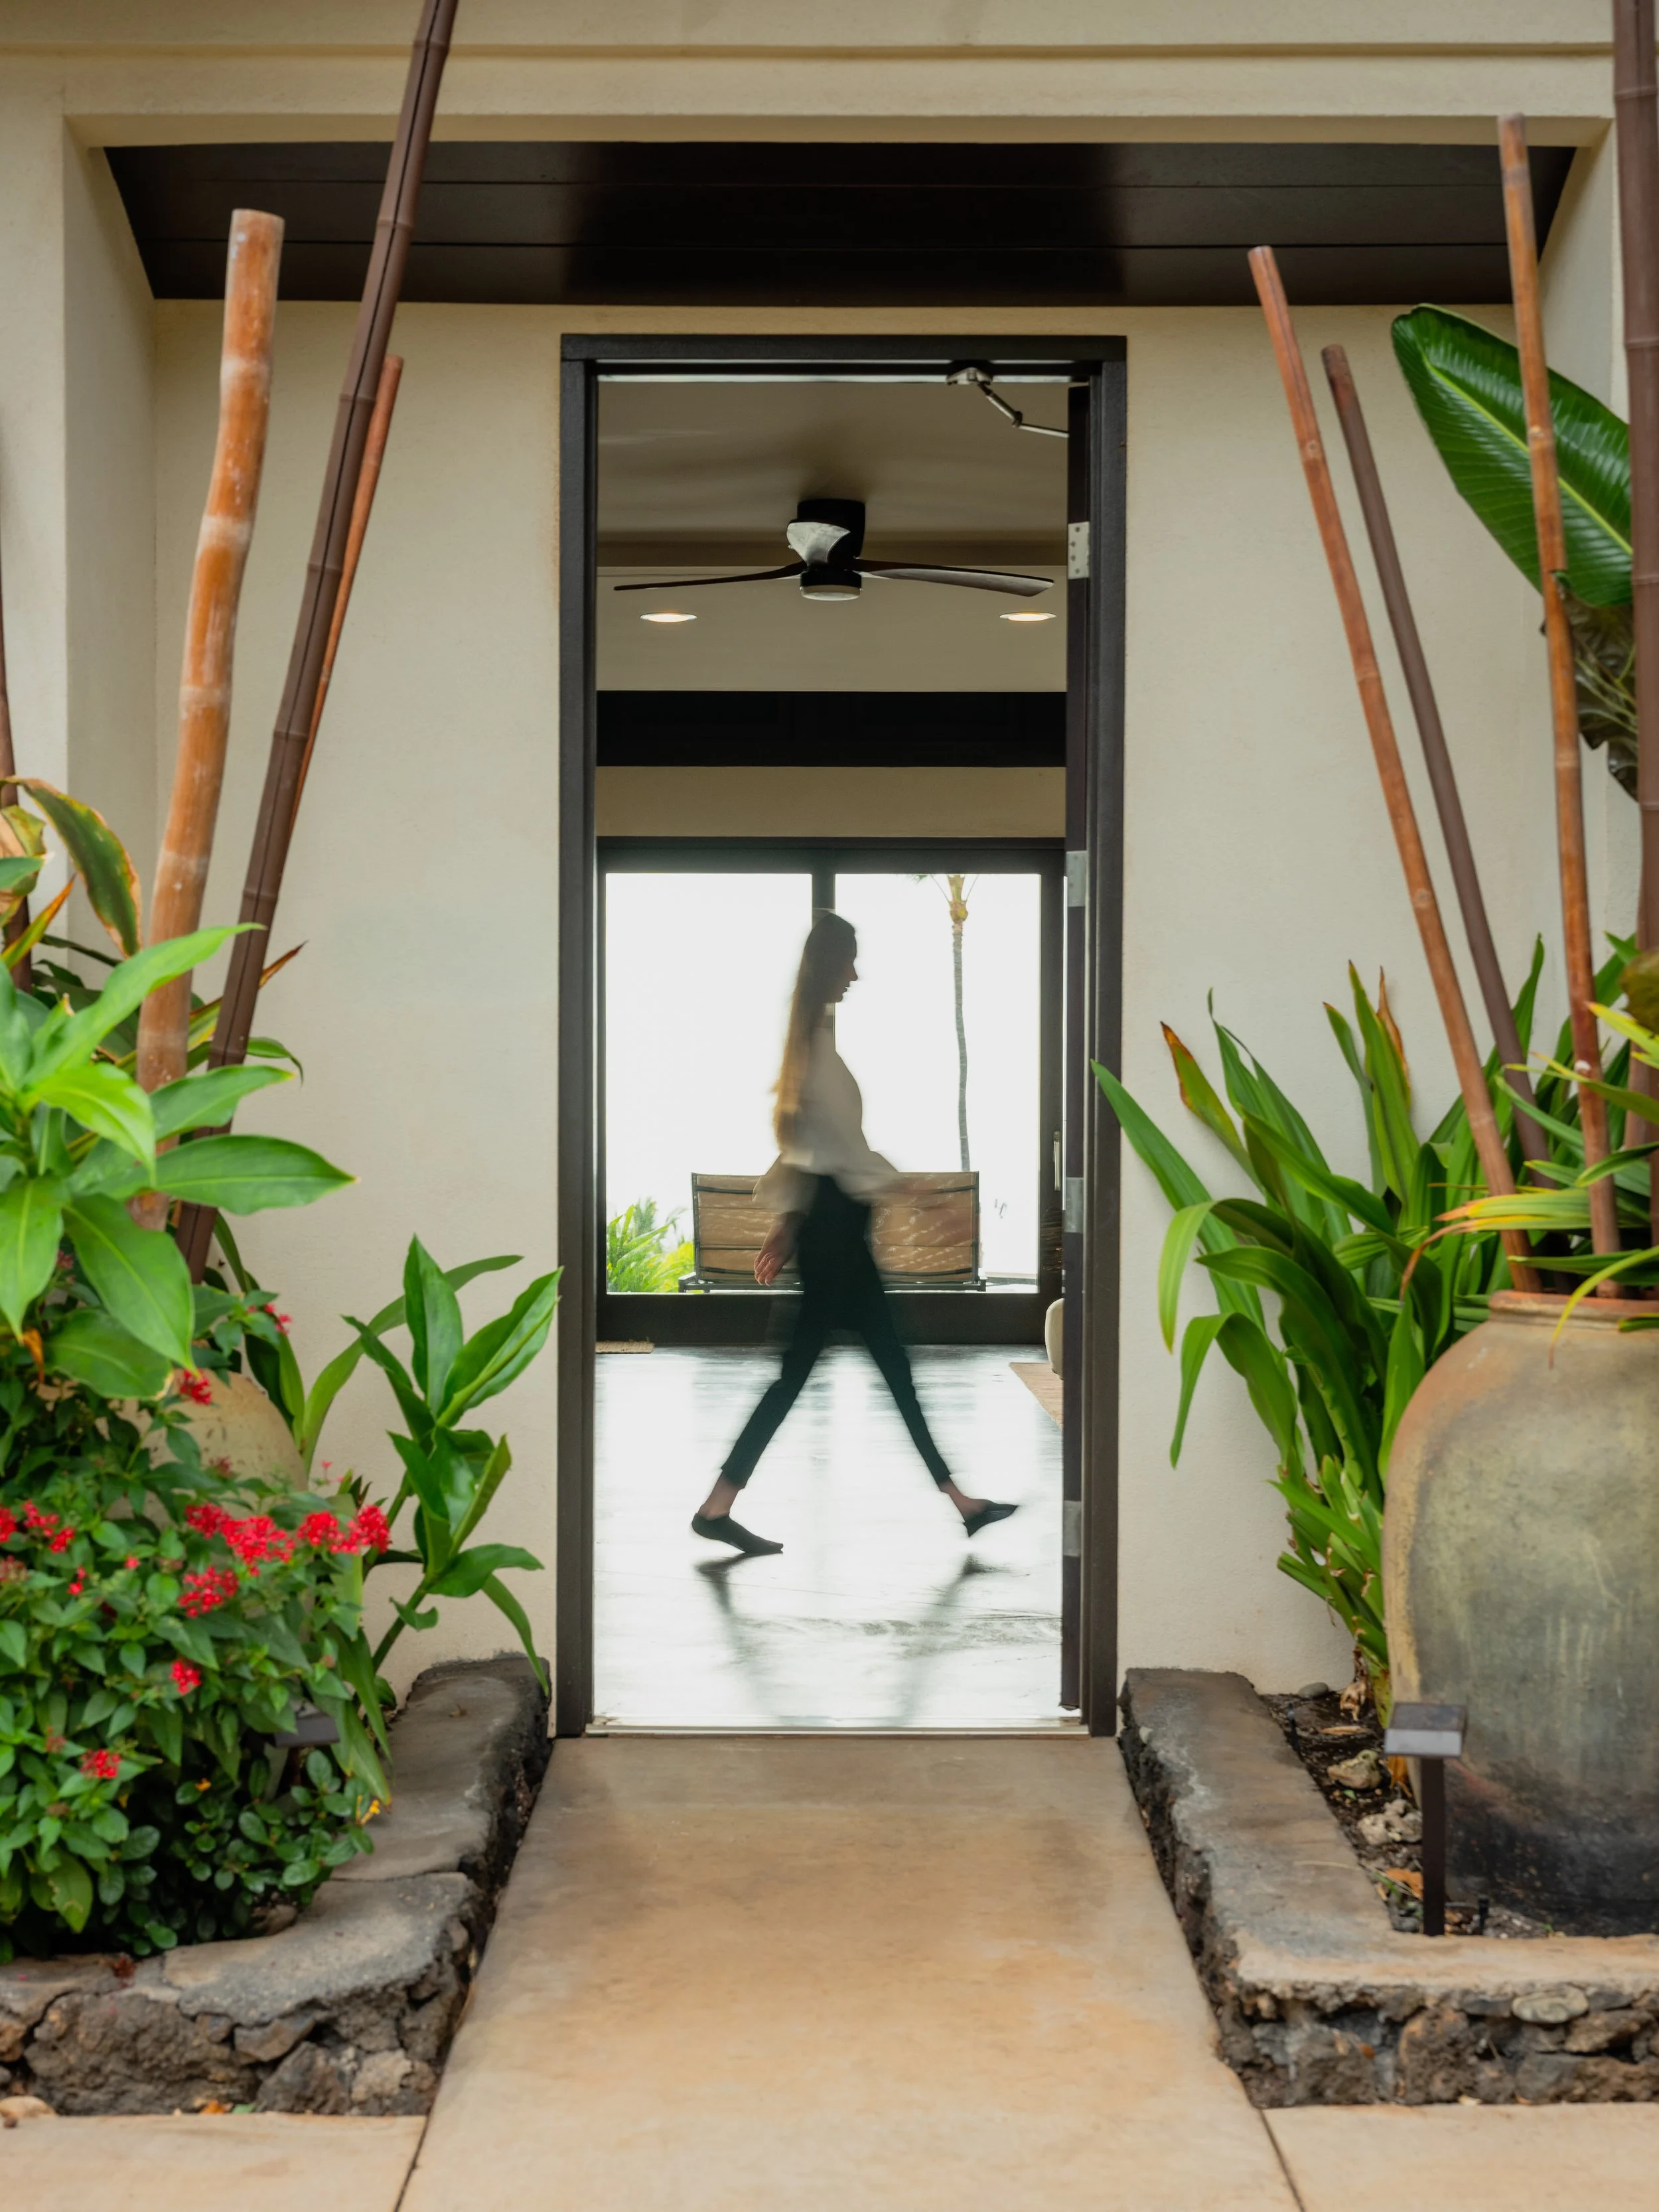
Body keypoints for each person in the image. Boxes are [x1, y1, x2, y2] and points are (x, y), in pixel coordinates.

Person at [691, 910, 1018, 1557]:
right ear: (830, 964)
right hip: (836, 1240)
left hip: (832, 1235)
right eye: (850, 960)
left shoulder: (810, 1045)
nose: (856, 974)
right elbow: (844, 1156)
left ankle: (719, 1506)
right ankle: (961, 1503)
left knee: (858, 1370)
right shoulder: (815, 1053)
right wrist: (928, 1200)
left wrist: (788, 1222)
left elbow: (809, 1150)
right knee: (867, 1370)